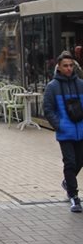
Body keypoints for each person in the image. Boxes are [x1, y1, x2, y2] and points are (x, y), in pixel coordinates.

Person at [44, 51, 83, 213]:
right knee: (70, 162)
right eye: (65, 66)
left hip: (81, 130)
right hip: (65, 132)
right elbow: (47, 108)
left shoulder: (80, 84)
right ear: (58, 67)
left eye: (71, 65)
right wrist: (59, 125)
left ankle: (68, 181)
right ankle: (74, 195)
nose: (68, 68)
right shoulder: (52, 87)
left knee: (79, 161)